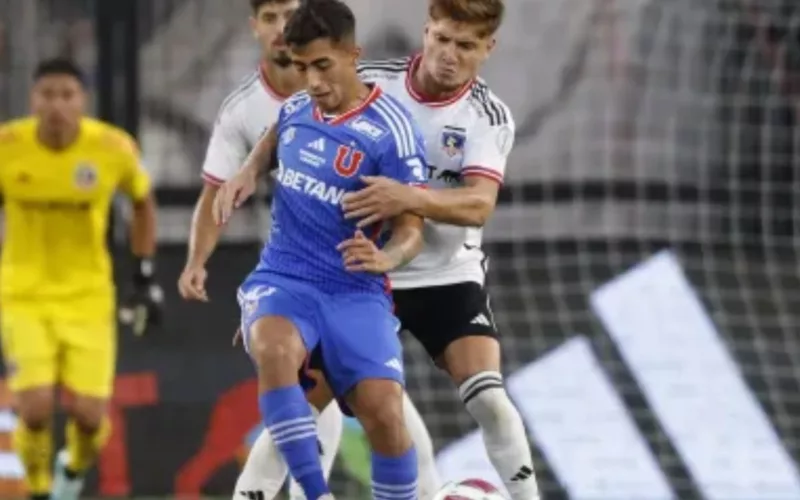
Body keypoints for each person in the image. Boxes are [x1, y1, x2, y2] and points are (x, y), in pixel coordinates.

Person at [231, 0, 542, 498]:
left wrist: (409, 196)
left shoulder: (487, 116)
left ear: (489, 48)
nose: (448, 55)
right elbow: (291, 118)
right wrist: (249, 168)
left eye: (465, 46)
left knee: (489, 399)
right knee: (302, 409)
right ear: (426, 31)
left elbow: (479, 205)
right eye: (441, 39)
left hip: (445, 275)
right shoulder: (372, 80)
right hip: (362, 276)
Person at [178, 1, 440, 498]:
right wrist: (247, 173)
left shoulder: (392, 132)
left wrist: (389, 257)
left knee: (386, 415)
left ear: (352, 54)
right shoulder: (297, 107)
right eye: (302, 68)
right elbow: (272, 143)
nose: (313, 81)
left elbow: (412, 229)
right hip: (285, 277)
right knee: (276, 350)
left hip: (354, 289)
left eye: (322, 66)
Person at [0, 58, 162, 500]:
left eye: (66, 95)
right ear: (32, 99)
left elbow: (143, 203)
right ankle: (37, 489)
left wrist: (144, 273)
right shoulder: (7, 146)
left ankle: (70, 470)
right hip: (22, 294)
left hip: (88, 296)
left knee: (91, 416)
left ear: (82, 101)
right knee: (33, 408)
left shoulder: (111, 148)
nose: (56, 105)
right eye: (47, 94)